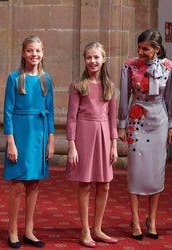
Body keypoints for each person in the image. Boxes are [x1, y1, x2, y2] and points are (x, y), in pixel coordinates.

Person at [118, 29, 172, 240]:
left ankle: (151, 219)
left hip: (159, 122)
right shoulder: (129, 66)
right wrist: (122, 125)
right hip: (136, 122)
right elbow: (124, 97)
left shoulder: (169, 67)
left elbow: (171, 98)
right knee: (135, 171)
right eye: (139, 48)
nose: (140, 52)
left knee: (156, 172)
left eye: (145, 49)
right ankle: (134, 219)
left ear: (156, 49)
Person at [3, 35, 55, 248]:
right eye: (30, 51)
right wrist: (11, 142)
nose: (34, 54)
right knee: (17, 185)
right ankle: (12, 230)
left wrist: (51, 141)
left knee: (34, 184)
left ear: (43, 54)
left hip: (40, 134)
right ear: (23, 53)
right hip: (20, 134)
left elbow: (50, 111)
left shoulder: (47, 79)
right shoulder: (15, 78)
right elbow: (7, 112)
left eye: (38, 51)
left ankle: (29, 230)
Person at [66, 42, 118, 248]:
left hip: (104, 134)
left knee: (104, 184)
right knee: (85, 183)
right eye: (89, 57)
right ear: (84, 60)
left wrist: (114, 145)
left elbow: (112, 118)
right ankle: (85, 230)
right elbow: (71, 118)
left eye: (96, 57)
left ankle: (98, 228)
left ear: (104, 59)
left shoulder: (110, 86)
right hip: (84, 135)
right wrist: (72, 145)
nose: (92, 61)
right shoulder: (78, 85)